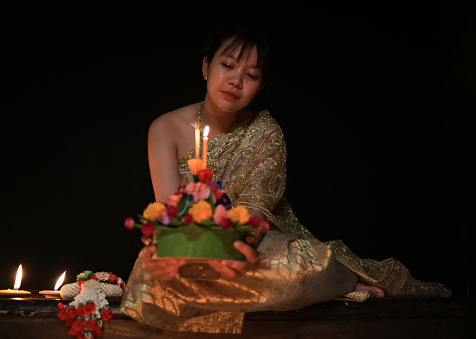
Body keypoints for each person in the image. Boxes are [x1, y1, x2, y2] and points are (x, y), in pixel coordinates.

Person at [120, 26, 451, 334]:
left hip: (256, 244)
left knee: (298, 270)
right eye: (227, 66)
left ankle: (340, 278)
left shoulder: (266, 132)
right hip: (192, 246)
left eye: (251, 75)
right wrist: (176, 251)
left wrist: (236, 250)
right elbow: (169, 213)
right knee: (149, 277)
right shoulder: (164, 128)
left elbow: (253, 213)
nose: (236, 80)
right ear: (206, 67)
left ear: (260, 87)